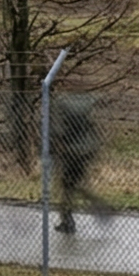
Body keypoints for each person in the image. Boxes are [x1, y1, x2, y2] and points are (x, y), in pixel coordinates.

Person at [50, 90, 114, 235]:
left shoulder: (60, 107)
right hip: (86, 150)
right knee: (72, 185)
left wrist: (56, 148)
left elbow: (58, 131)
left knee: (68, 186)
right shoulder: (83, 111)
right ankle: (70, 218)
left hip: (71, 153)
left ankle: (71, 219)